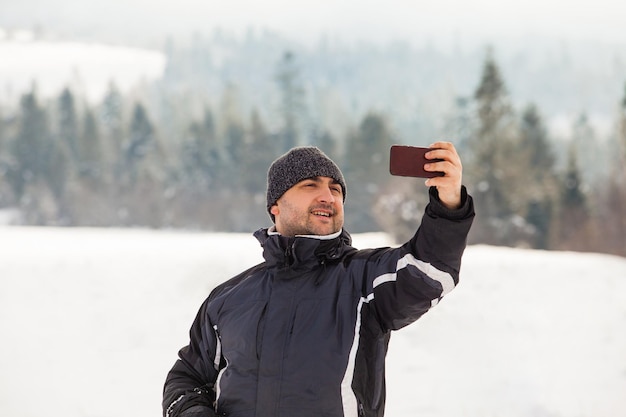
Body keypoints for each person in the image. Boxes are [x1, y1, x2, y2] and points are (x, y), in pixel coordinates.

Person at [163, 142, 474, 417]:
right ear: (276, 205)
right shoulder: (228, 298)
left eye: (336, 190)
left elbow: (430, 270)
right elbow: (187, 377)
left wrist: (448, 205)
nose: (328, 196)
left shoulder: (364, 279)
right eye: (310, 185)